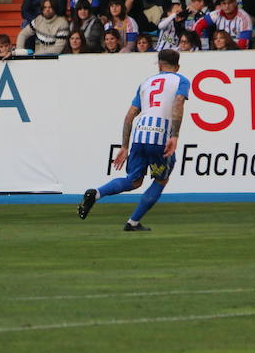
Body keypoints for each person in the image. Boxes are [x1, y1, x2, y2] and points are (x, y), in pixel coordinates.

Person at [78, 49, 190, 231]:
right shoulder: (181, 80)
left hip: (140, 134)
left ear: (159, 65)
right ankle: (133, 222)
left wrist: (124, 146)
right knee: (161, 179)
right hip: (160, 136)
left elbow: (129, 116)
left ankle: (97, 193)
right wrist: (175, 136)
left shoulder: (146, 83)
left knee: (135, 180)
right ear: (177, 66)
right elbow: (178, 103)